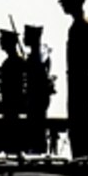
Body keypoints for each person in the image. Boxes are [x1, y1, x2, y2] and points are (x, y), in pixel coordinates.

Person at [59, 0, 88, 157]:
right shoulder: (78, 26)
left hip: (80, 81)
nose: (62, 3)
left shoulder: (83, 27)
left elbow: (83, 60)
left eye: (65, 0)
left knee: (81, 125)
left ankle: (82, 158)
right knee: (77, 125)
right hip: (76, 80)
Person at [22, 24, 53, 153]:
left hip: (36, 100)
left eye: (26, 35)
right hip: (36, 99)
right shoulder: (40, 55)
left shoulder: (37, 58)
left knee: (37, 132)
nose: (24, 38)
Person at [0, 29, 25, 152]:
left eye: (2, 39)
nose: (0, 42)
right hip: (9, 104)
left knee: (13, 140)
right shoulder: (12, 61)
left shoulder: (15, 61)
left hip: (13, 105)